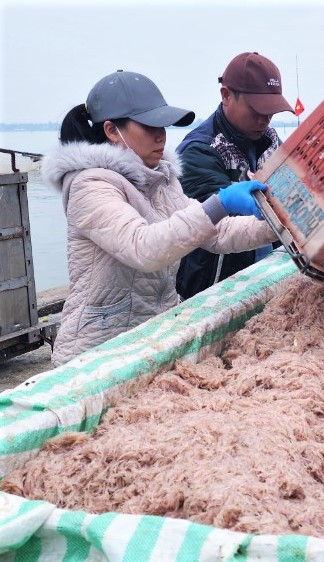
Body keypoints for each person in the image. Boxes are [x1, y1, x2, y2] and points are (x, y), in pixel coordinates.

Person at [41, 70, 277, 365]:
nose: (161, 135)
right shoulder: (90, 186)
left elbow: (217, 233)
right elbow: (145, 248)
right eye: (149, 125)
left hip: (151, 338)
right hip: (97, 351)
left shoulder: (161, 178)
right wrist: (222, 202)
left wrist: (276, 221)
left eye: (164, 125)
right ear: (113, 130)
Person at [175, 52, 294, 300]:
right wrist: (290, 217)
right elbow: (222, 229)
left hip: (263, 274)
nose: (265, 119)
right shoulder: (198, 152)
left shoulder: (269, 142)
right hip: (214, 290)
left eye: (271, 111)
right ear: (226, 95)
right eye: (256, 110)